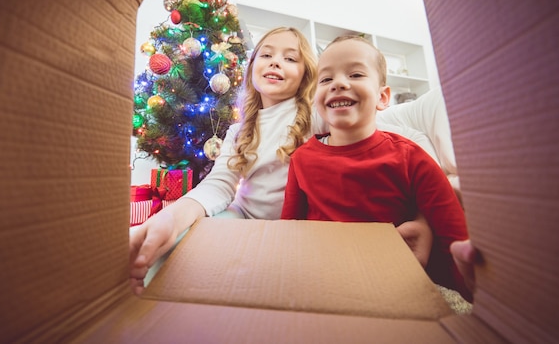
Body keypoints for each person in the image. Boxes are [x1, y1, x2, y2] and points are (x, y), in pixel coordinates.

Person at [129, 27, 433, 295]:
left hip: (298, 231)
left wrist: (422, 219)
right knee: (181, 248)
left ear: (306, 75)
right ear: (251, 68)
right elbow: (219, 186)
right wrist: (174, 216)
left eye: (291, 58)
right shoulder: (237, 131)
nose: (276, 62)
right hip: (243, 217)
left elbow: (405, 138)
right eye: (267, 55)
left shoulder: (317, 113)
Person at [280, 35, 472, 302]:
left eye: (356, 74)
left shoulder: (412, 157)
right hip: (322, 284)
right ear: (316, 100)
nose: (339, 83)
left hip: (393, 288)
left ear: (383, 97)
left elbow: (456, 243)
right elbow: (289, 233)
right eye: (326, 79)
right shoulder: (301, 160)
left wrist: (475, 288)